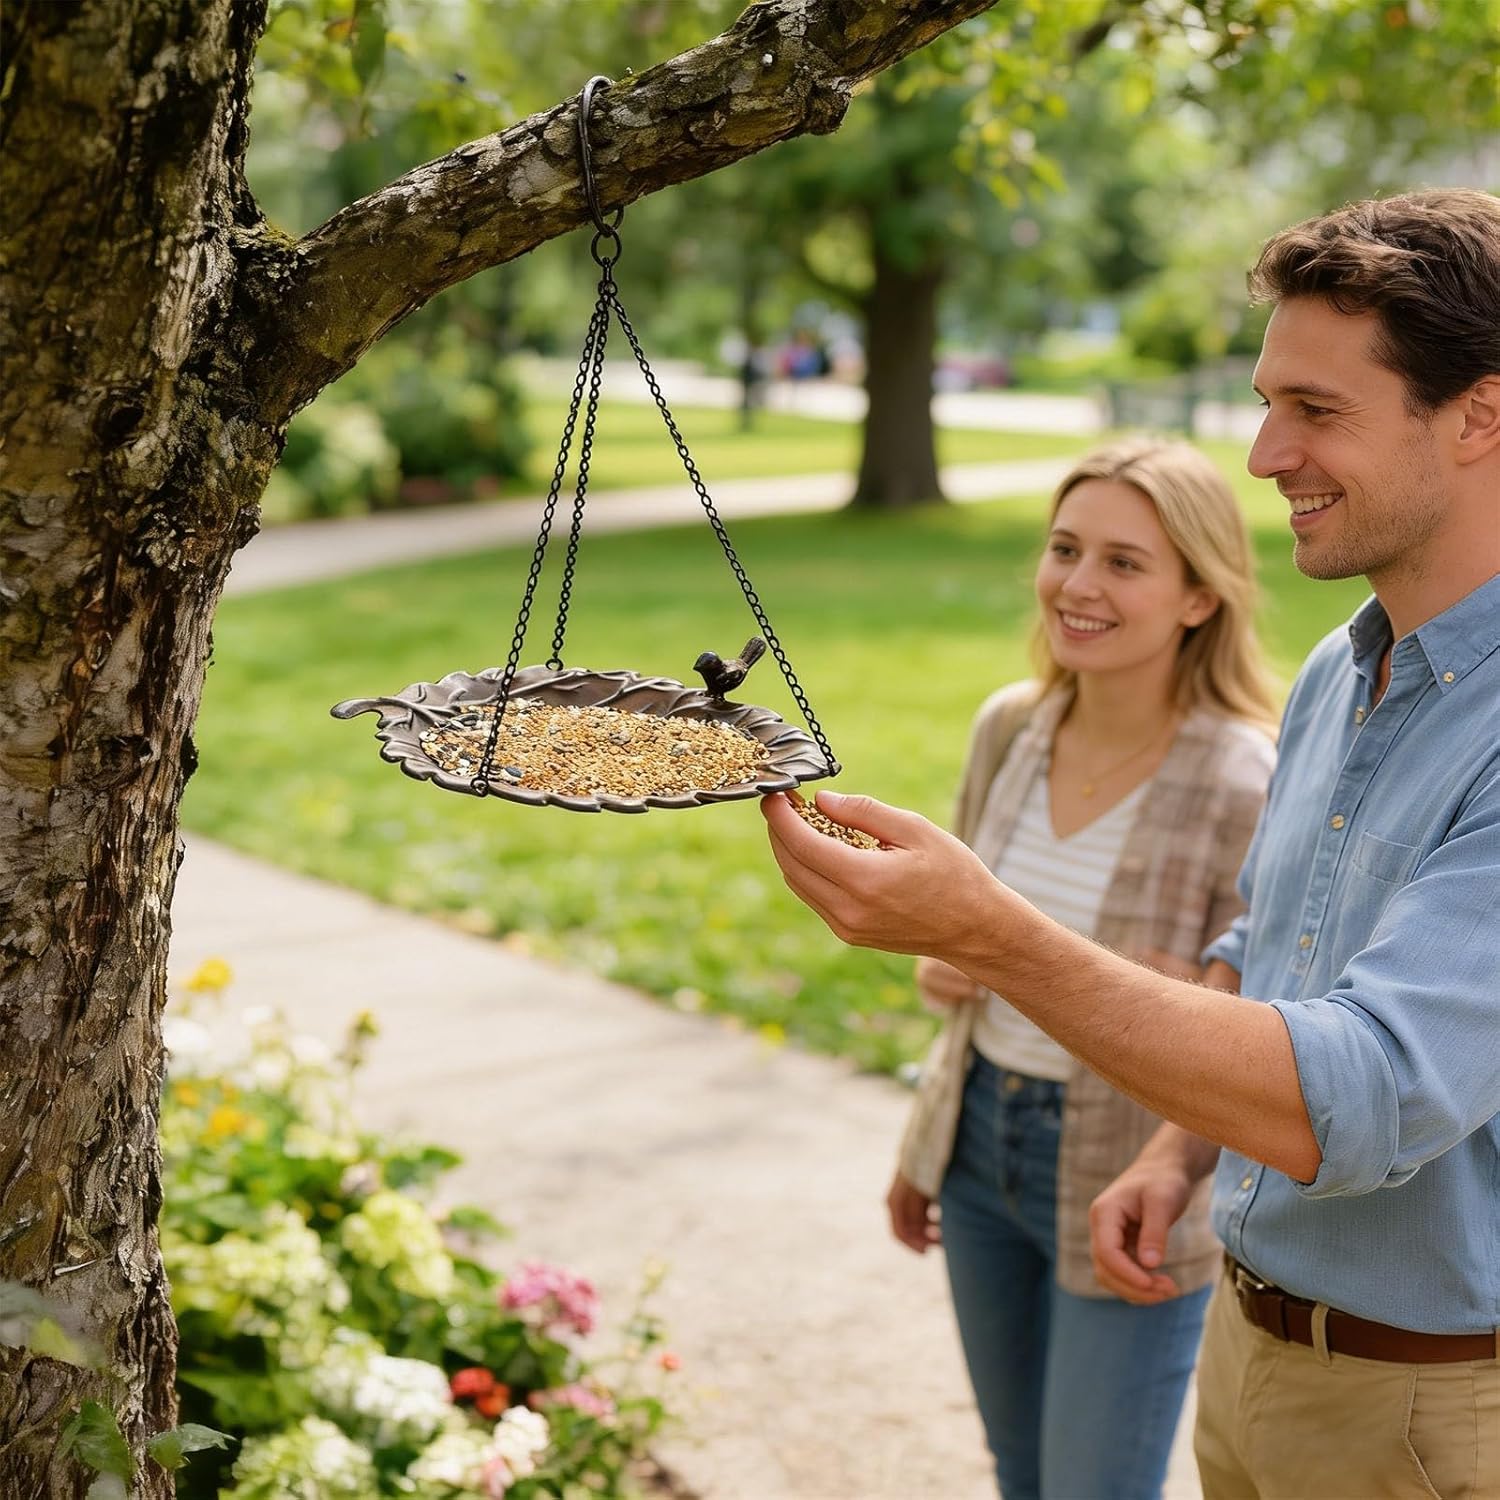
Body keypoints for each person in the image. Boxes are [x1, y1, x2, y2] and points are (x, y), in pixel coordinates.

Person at [762, 187, 1500, 1500]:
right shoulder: (1340, 671)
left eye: (1315, 410)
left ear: (1479, 415)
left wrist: (989, 932)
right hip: (1247, 1345)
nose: (1265, 454)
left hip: (1433, 1409)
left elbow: (1372, 1090)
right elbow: (1269, 938)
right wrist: (1176, 1154)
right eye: (1267, 402)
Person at [887, 436, 1277, 1500]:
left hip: (1127, 1170)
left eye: (1124, 562)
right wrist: (929, 1133)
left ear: (1199, 598)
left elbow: (1261, 1011)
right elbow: (956, 951)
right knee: (1021, 1473)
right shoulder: (1011, 729)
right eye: (1065, 549)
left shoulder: (1245, 777)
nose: (1078, 585)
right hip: (978, 1144)